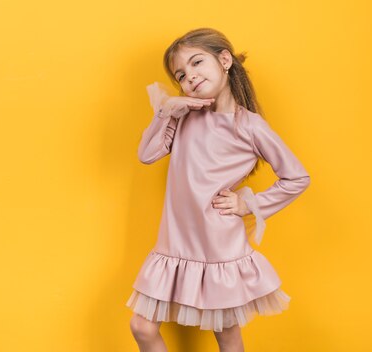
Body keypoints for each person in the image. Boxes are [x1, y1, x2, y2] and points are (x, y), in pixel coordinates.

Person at [126, 28, 311, 352]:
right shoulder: (184, 116)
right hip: (175, 244)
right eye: (181, 75)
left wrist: (247, 204)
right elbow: (147, 154)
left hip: (218, 247)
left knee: (227, 336)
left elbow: (297, 177)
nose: (191, 77)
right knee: (141, 326)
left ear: (224, 59)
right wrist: (168, 111)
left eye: (197, 62)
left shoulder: (250, 125)